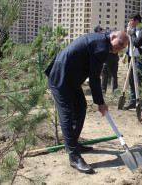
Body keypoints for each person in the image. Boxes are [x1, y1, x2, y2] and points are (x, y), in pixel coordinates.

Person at [44, 30, 129, 174]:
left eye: (123, 48)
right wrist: (100, 103)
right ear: (113, 37)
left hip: (70, 77)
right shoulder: (101, 47)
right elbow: (94, 79)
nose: (119, 49)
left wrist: (99, 101)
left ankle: (73, 143)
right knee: (66, 114)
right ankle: (74, 157)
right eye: (119, 45)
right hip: (61, 77)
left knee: (81, 106)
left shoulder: (103, 41)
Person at [122, 14, 142, 110]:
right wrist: (125, 54)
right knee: (131, 80)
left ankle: (140, 102)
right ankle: (133, 101)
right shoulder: (131, 31)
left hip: (139, 59)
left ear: (137, 21)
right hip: (131, 58)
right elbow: (130, 43)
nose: (130, 22)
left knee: (138, 80)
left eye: (132, 20)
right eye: (129, 20)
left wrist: (138, 44)